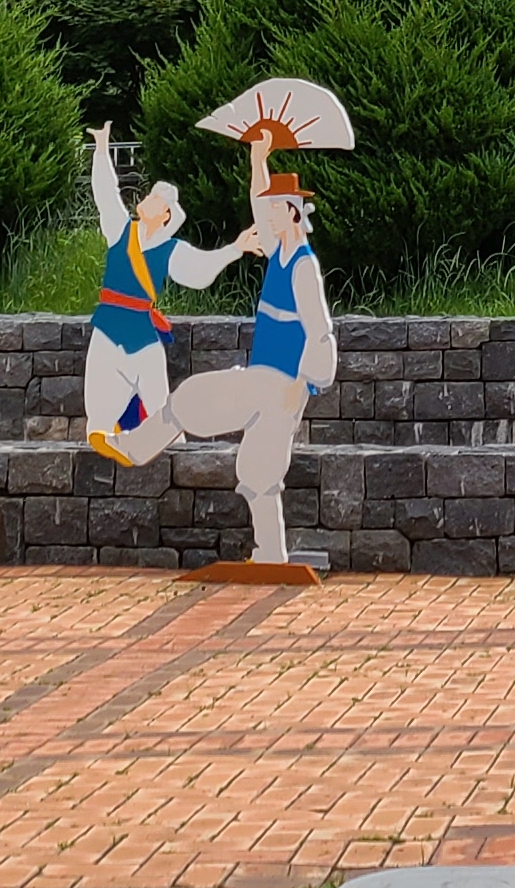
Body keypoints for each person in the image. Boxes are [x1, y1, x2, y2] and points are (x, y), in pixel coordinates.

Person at [160, 159, 337, 570]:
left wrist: (304, 383)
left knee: (261, 468)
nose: (268, 214)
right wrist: (258, 159)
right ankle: (269, 552)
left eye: (276, 208)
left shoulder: (303, 266)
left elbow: (319, 329)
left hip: (284, 384)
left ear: (292, 212)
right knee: (251, 462)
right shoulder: (279, 254)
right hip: (263, 378)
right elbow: (259, 202)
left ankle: (272, 554)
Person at [80, 121, 253, 465]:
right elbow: (106, 195)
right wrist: (101, 150)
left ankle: (180, 460)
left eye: (154, 199)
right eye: (149, 196)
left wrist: (235, 249)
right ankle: (107, 441)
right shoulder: (120, 231)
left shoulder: (170, 249)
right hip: (108, 328)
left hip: (143, 336)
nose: (145, 201)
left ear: (166, 214)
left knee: (160, 405)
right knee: (98, 411)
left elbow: (199, 271)